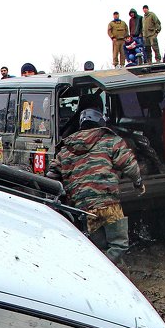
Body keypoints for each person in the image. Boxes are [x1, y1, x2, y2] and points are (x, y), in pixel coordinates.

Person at [46, 108, 142, 264]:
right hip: (109, 204)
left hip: (84, 208)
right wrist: (138, 183)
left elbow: (51, 176)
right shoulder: (111, 140)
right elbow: (129, 165)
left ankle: (112, 278)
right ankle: (101, 269)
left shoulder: (66, 148)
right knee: (119, 245)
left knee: (100, 247)